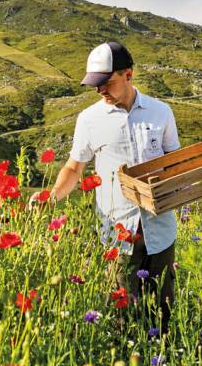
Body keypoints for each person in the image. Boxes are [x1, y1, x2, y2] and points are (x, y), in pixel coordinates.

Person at [48, 41, 181, 333]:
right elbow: (74, 167)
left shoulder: (161, 112)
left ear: (128, 75)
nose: (100, 91)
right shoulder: (89, 120)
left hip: (161, 230)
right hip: (118, 235)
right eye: (95, 85)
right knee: (122, 317)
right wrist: (52, 197)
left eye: (106, 83)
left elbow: (174, 161)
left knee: (164, 310)